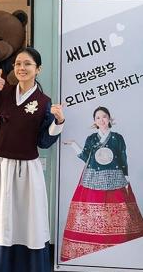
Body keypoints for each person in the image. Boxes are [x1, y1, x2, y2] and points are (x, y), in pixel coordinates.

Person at [0, 47, 65, 272]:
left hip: (26, 172)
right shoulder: (2, 91)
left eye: (27, 64)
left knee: (26, 223)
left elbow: (44, 141)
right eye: (18, 64)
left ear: (38, 69)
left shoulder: (44, 102)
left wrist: (59, 121)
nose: (21, 68)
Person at [61, 106, 143, 261]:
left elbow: (122, 157)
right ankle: (90, 253)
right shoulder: (91, 138)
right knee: (92, 213)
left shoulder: (117, 138)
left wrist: (126, 177)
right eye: (97, 118)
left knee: (122, 215)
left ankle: (120, 254)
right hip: (93, 177)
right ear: (94, 122)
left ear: (110, 118)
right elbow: (86, 157)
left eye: (104, 116)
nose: (101, 120)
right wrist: (73, 144)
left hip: (115, 177)